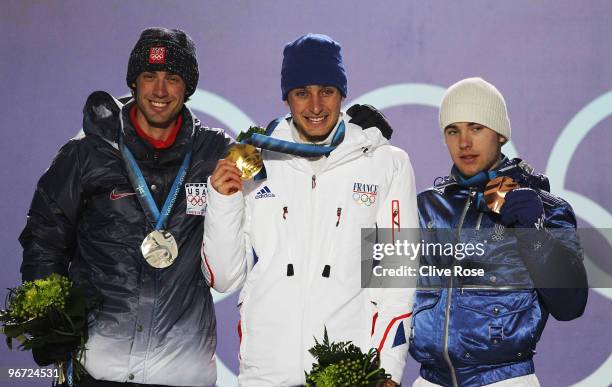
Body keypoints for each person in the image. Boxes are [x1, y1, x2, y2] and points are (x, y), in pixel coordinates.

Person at [19, 27, 233, 386]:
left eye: (173, 78)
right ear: (134, 82)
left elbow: (283, 177)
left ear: (188, 87)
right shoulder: (88, 152)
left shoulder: (214, 155)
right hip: (98, 366)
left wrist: (362, 141)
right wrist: (47, 318)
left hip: (182, 370)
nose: (160, 90)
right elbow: (44, 238)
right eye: (149, 76)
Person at [203, 33, 419, 386]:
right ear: (287, 97)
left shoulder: (385, 164)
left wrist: (387, 369)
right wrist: (224, 202)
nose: (316, 106)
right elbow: (224, 278)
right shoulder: (255, 160)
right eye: (302, 93)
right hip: (266, 375)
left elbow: (397, 278)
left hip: (346, 375)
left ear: (343, 93)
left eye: (327, 91)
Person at [410, 77, 588, 387]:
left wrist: (534, 234)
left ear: (501, 134)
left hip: (504, 381)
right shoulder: (425, 206)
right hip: (428, 381)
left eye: (476, 128)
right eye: (453, 131)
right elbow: (380, 294)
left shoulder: (546, 208)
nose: (464, 142)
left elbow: (571, 305)